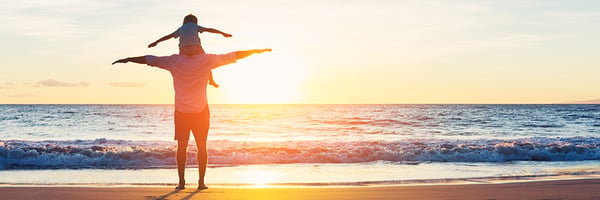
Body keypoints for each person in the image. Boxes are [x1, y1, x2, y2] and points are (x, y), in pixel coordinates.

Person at [112, 48, 271, 190]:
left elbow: (149, 59)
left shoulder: (173, 60)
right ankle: (200, 182)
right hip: (201, 110)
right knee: (201, 146)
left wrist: (128, 59)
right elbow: (233, 56)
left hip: (182, 111)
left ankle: (182, 182)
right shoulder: (206, 59)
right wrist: (255, 51)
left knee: (183, 146)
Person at [148, 14, 232, 88]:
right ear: (195, 21)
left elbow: (168, 36)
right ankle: (211, 80)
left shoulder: (180, 28)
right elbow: (210, 29)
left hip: (183, 50)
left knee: (182, 65)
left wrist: (156, 42)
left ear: (184, 21)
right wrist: (222, 33)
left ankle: (183, 80)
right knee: (207, 62)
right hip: (196, 48)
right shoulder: (195, 26)